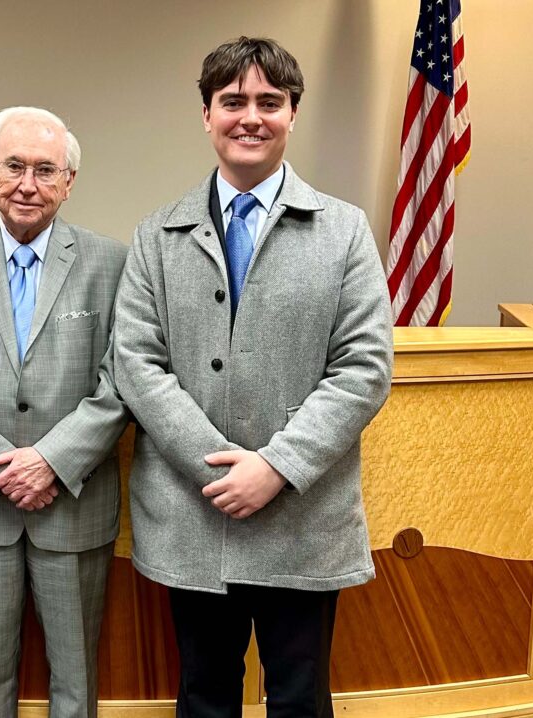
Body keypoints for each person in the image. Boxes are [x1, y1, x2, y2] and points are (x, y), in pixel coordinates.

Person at [113, 38, 393, 718]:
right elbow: (136, 362)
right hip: (193, 514)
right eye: (233, 101)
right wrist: (218, 470)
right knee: (203, 694)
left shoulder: (345, 231)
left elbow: (364, 367)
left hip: (303, 514)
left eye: (270, 102)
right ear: (205, 116)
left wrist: (275, 466)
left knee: (299, 696)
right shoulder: (157, 236)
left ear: (293, 114)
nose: (251, 117)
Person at [0, 106, 128, 718]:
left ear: (69, 181)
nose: (27, 183)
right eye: (13, 166)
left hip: (75, 503)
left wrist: (52, 463)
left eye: (45, 169)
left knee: (76, 679)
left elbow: (122, 379)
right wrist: (4, 469)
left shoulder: (111, 264)